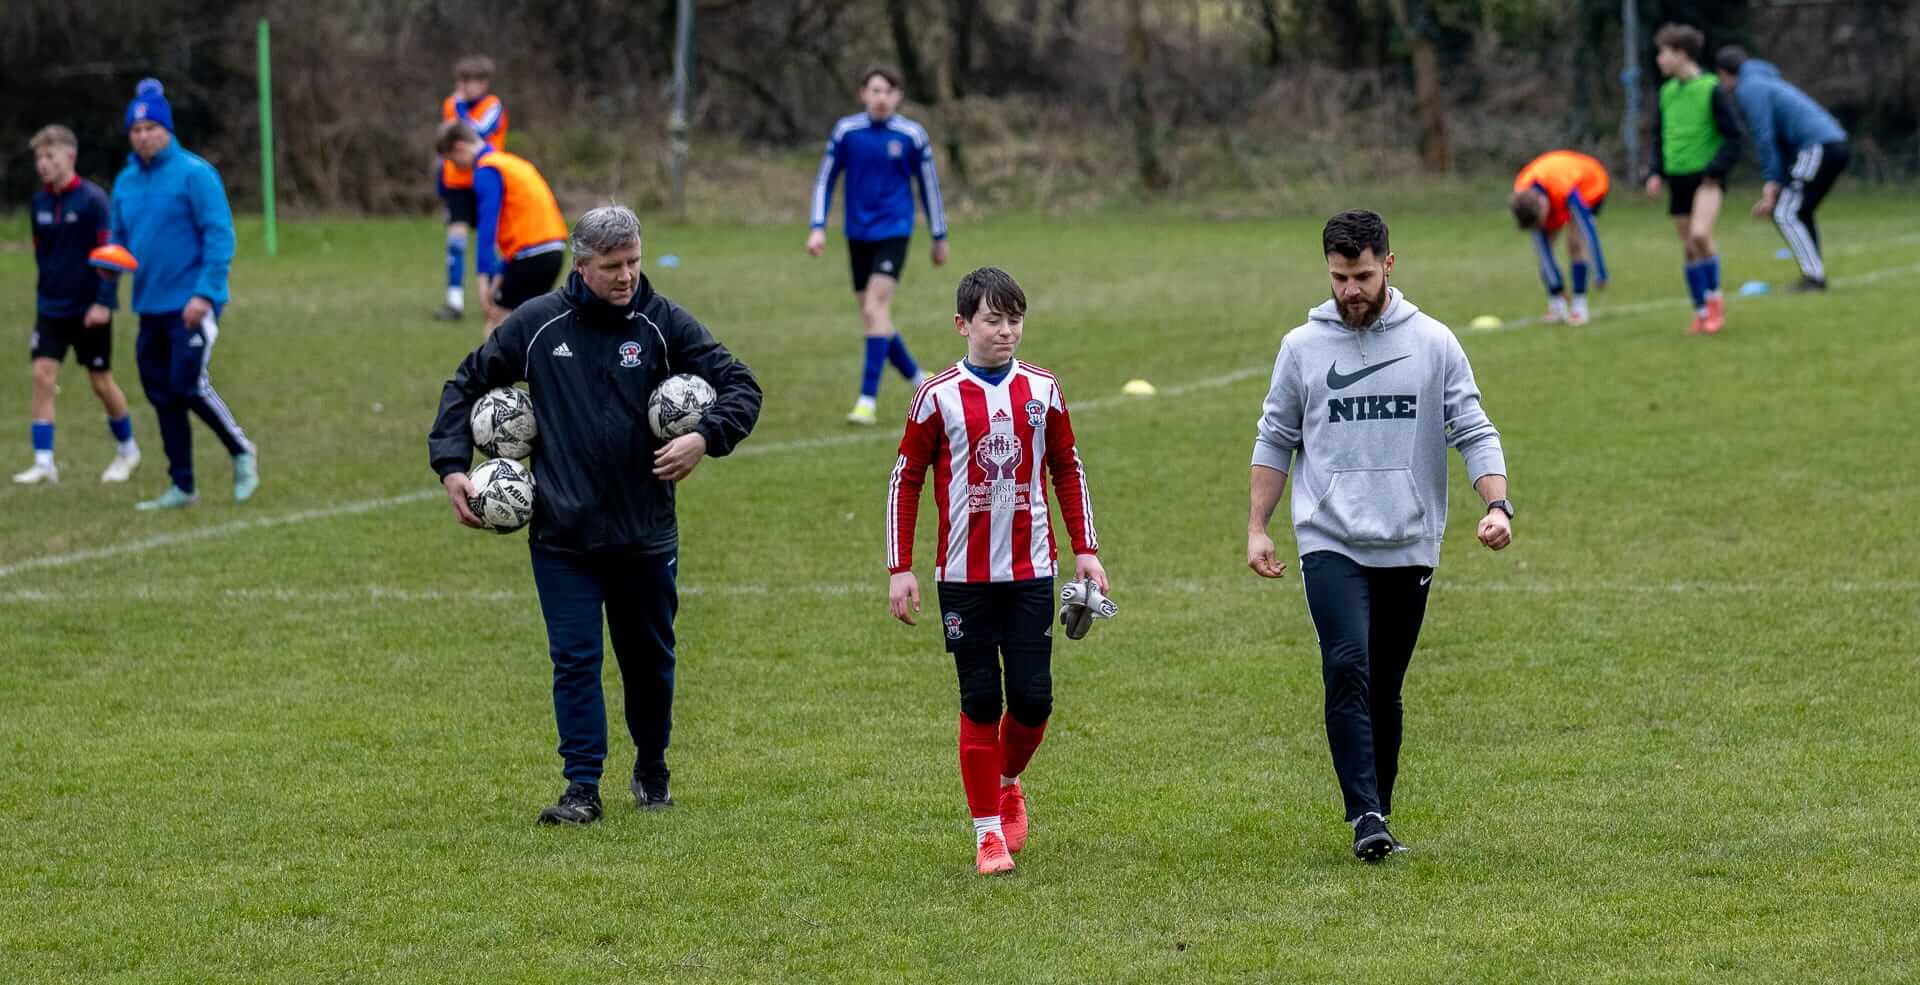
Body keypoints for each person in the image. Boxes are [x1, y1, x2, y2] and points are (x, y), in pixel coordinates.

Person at [428, 206, 762, 826]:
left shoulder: (662, 323)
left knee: (649, 663)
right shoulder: (538, 325)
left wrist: (704, 437)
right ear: (581, 266)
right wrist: (452, 465)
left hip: (644, 532)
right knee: (575, 661)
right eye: (612, 266)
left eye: (633, 261)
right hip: (563, 534)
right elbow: (466, 383)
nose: (627, 275)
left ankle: (652, 768)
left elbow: (742, 384)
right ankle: (581, 787)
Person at [1246, 209, 1511, 862]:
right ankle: (1364, 813)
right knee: (1347, 667)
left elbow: (1472, 427)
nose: (1350, 290)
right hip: (1329, 536)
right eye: (1339, 277)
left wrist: (1498, 505)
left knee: (1385, 686)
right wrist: (1258, 527)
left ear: (1389, 264)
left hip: (1408, 537)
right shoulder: (1301, 348)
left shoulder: (1434, 342)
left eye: (1362, 276)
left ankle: (1379, 809)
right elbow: (1275, 438)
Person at [885, 266, 1106, 875]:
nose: (1006, 331)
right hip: (962, 576)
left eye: (1015, 319)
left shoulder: (1043, 389)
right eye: (993, 320)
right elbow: (906, 479)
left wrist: (1085, 547)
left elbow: (1067, 466)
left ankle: (1007, 783)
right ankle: (988, 835)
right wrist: (900, 566)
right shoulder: (936, 397)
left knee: (1033, 701)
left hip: (1032, 568)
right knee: (981, 699)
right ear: (963, 324)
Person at [109, 79, 258, 510]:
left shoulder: (195, 174)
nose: (143, 136)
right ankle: (183, 485)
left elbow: (219, 236)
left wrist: (205, 294)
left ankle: (241, 450)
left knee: (187, 383)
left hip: (192, 303)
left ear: (167, 130)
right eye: (136, 130)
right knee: (161, 392)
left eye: (151, 128)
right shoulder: (125, 182)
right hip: (149, 305)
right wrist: (105, 275)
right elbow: (118, 242)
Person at [806, 65, 950, 426]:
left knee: (874, 308)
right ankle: (919, 378)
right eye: (875, 90)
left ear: (898, 96)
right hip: (857, 234)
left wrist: (939, 236)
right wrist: (818, 227)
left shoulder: (912, 135)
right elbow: (825, 180)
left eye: (888, 91)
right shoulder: (847, 132)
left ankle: (866, 400)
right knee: (875, 317)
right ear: (863, 94)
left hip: (895, 230)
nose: (881, 97)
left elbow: (929, 186)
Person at [15, 125, 141, 485]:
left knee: (100, 383)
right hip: (51, 308)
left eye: (49, 156)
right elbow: (43, 256)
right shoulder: (39, 204)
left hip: (89, 310)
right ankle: (44, 462)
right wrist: (43, 299)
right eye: (39, 157)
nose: (42, 164)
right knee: (42, 376)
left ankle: (128, 449)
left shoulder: (93, 200)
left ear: (70, 156)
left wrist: (103, 303)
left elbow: (111, 257)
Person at [1715, 46, 1850, 291]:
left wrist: (1771, 181)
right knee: (1798, 210)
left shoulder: (1750, 88)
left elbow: (1765, 136)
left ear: (1723, 74)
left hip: (1817, 147)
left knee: (1786, 213)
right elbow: (1780, 139)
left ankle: (1814, 278)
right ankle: (1813, 273)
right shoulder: (1764, 80)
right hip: (1830, 144)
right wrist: (1778, 183)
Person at [1645, 24, 1742, 336]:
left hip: (1706, 179)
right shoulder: (1667, 92)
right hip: (1678, 178)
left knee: (1700, 236)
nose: (1659, 59)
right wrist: (1655, 172)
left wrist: (1716, 169)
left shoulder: (1711, 88)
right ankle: (1700, 312)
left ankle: (1714, 304)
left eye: (1663, 53)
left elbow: (1734, 137)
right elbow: (1659, 137)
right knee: (1689, 247)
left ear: (1681, 54)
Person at [434, 120, 566, 337]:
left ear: (460, 148)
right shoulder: (512, 163)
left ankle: (493, 362)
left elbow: (488, 226)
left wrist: (483, 280)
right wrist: (501, 272)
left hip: (529, 255)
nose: (456, 168)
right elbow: (520, 224)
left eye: (453, 161)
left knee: (497, 326)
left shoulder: (486, 171)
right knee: (532, 328)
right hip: (554, 250)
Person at [433, 55, 510, 320]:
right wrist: (441, 187)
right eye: (463, 81)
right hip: (456, 184)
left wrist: (459, 108)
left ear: (484, 83)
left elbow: (474, 133)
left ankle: (497, 296)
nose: (466, 87)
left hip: (487, 181)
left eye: (472, 81)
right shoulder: (450, 105)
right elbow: (446, 143)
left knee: (493, 240)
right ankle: (454, 302)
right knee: (456, 241)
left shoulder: (492, 106)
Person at [1509, 150, 1611, 326]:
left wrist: (1600, 272)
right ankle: (1557, 305)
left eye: (1541, 220)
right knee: (1544, 242)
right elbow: (1542, 248)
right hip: (1554, 192)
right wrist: (1557, 287)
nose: (1542, 225)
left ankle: (1579, 306)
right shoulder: (1522, 190)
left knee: (1575, 242)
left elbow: (1588, 231)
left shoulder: (1562, 188)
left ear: (1542, 204)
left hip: (1591, 186)